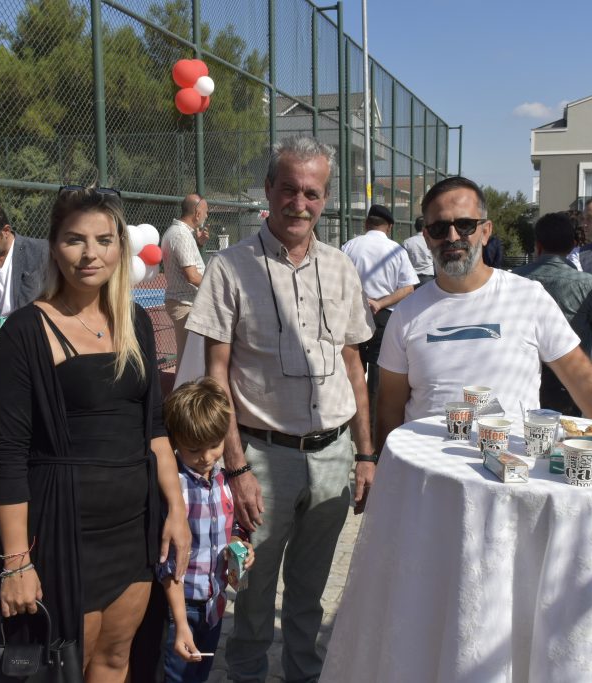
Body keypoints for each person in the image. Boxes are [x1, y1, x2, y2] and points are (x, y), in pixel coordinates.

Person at [0, 186, 191, 683]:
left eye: (103, 240)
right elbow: (8, 456)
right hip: (63, 531)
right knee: (63, 666)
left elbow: (155, 428)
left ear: (120, 248)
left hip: (134, 531)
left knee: (117, 659)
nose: (90, 254)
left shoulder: (135, 322)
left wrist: (176, 510)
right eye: (75, 240)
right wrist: (16, 563)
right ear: (53, 247)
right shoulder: (25, 332)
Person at [185, 135, 376, 683]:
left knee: (310, 595)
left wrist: (365, 454)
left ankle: (303, 676)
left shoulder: (341, 267)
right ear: (269, 190)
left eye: (312, 193)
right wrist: (236, 467)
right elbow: (216, 375)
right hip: (262, 458)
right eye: (289, 189)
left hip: (333, 455)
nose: (299, 203)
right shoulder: (229, 268)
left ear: (325, 199)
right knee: (250, 593)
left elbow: (354, 365)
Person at [376, 175, 592, 449]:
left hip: (512, 466)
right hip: (428, 467)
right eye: (439, 228)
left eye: (465, 225)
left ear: (485, 231)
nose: (452, 237)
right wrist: (383, 463)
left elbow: (584, 381)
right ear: (426, 237)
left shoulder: (528, 297)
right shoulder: (406, 313)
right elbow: (390, 405)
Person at [157, 378, 255, 683]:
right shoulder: (175, 488)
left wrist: (240, 543)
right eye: (194, 449)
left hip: (214, 605)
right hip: (180, 608)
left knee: (199, 673)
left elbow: (234, 524)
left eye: (214, 445)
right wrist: (180, 622)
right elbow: (167, 563)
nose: (206, 457)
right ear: (175, 441)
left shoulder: (223, 480)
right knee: (176, 676)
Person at [513, 212, 592, 415]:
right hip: (570, 380)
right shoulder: (588, 284)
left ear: (538, 245)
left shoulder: (513, 279)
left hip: (522, 376)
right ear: (573, 245)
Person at [341, 203, 418, 403]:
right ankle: (374, 418)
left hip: (352, 313)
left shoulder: (349, 246)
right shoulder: (396, 250)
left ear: (366, 223)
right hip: (384, 317)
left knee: (352, 368)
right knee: (378, 372)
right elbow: (408, 288)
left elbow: (340, 281)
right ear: (389, 227)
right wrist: (380, 303)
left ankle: (353, 415)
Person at [162, 194, 210, 367]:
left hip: (185, 302)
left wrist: (199, 243)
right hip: (185, 304)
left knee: (191, 359)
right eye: (206, 212)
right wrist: (216, 288)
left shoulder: (180, 232)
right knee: (188, 362)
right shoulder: (181, 235)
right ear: (197, 214)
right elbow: (192, 275)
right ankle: (184, 385)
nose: (207, 215)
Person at [403, 216, 435, 286]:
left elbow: (403, 261)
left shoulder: (407, 242)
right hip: (428, 277)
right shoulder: (431, 240)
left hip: (412, 279)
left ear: (415, 227)